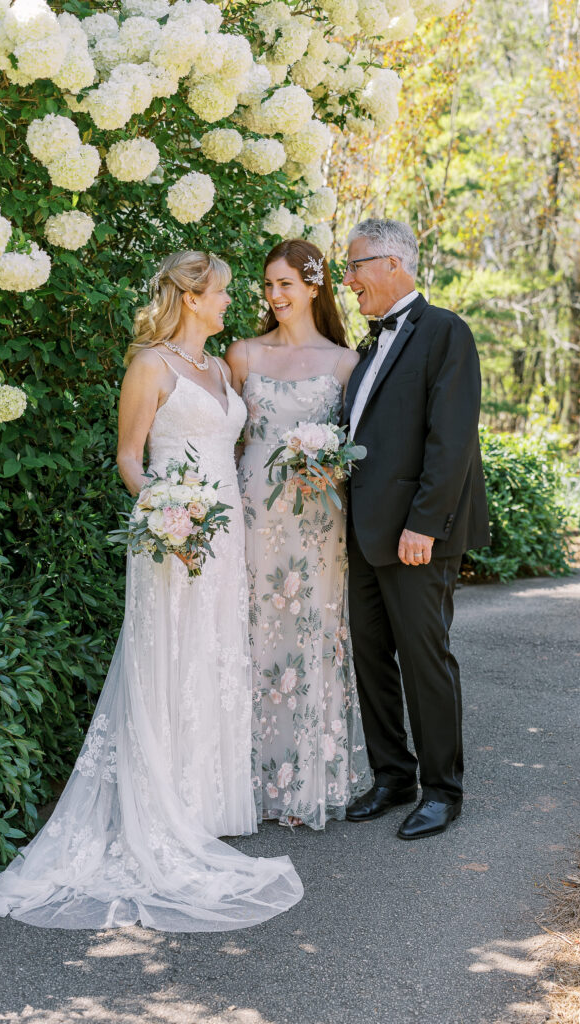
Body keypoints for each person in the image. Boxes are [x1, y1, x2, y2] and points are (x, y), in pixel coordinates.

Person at [0, 251, 303, 930]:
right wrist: (165, 514)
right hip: (172, 537)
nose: (228, 303)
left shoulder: (217, 368)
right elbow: (130, 457)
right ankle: (160, 813)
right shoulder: (150, 365)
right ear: (190, 297)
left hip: (225, 538)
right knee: (167, 665)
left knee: (213, 659)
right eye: (220, 293)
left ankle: (202, 809)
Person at [342, 219, 490, 840]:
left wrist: (424, 524)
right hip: (363, 531)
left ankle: (441, 790)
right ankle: (392, 774)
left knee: (425, 659)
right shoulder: (371, 343)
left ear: (393, 264)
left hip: (416, 535)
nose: (348, 280)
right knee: (371, 655)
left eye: (355, 267)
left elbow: (450, 439)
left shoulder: (445, 331)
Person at [226, 239, 371, 830]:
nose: (275, 295)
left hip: (315, 523)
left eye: (286, 284)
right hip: (253, 511)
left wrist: (330, 464)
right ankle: (240, 781)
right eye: (268, 285)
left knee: (309, 631)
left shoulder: (345, 363)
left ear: (314, 287)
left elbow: (360, 449)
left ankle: (307, 779)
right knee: (249, 632)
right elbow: (225, 437)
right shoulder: (241, 354)